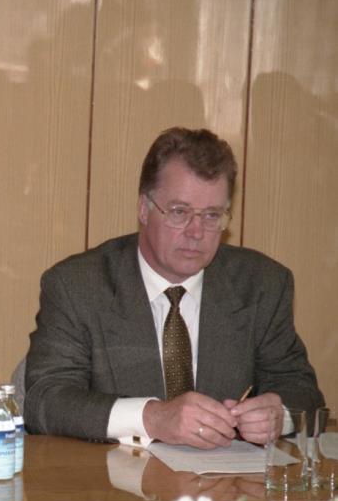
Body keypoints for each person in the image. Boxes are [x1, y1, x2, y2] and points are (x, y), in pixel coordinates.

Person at [24, 127, 324, 449]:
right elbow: (46, 401)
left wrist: (279, 415)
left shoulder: (262, 284)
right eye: (180, 212)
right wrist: (152, 418)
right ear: (144, 208)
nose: (196, 232)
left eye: (212, 215)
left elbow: (304, 393)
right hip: (113, 477)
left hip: (227, 478)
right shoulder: (78, 285)